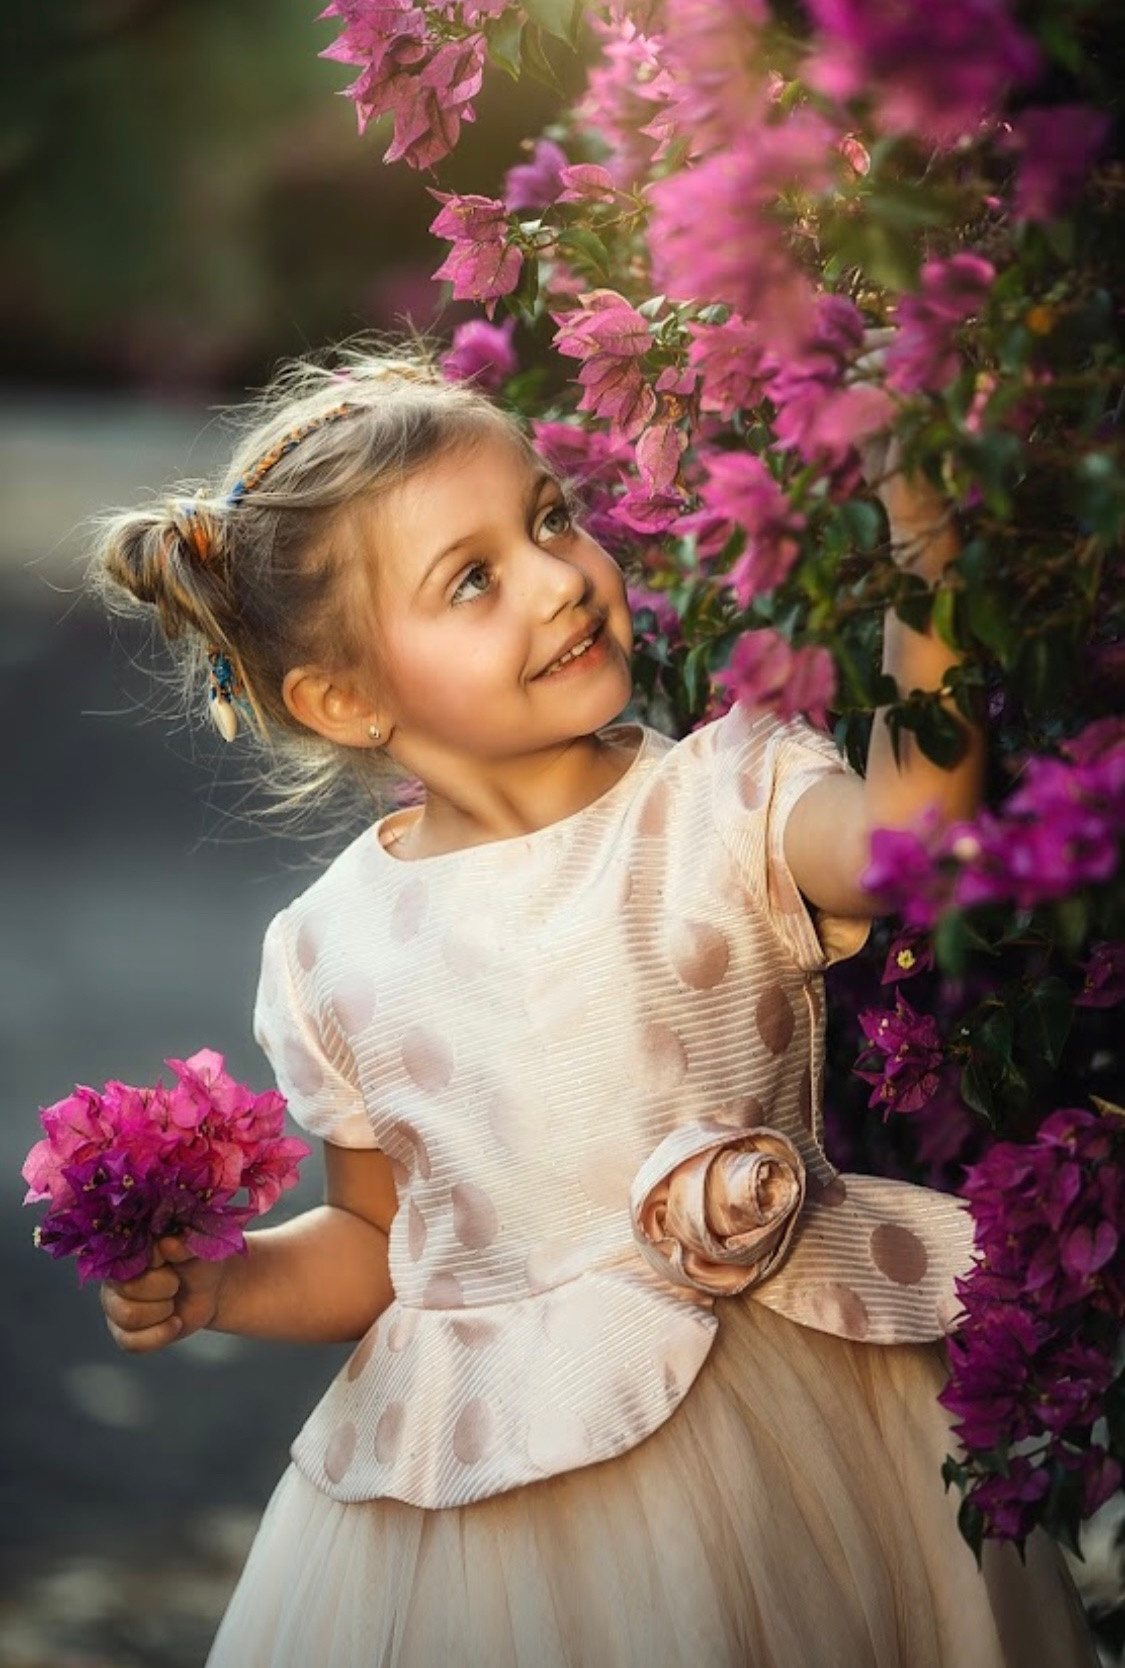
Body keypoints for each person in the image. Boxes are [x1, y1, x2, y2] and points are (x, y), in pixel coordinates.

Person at [95, 346, 1096, 1667]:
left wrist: (927, 557)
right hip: (501, 1512)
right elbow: (379, 1243)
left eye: (551, 516)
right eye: (473, 578)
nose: (563, 577)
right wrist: (224, 1283)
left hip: (805, 1432)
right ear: (346, 698)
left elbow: (909, 843)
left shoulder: (722, 799)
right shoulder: (330, 947)